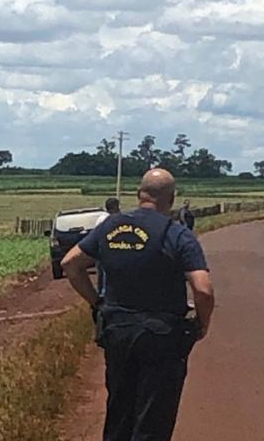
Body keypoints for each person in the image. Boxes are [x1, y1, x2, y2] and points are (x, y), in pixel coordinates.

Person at [62, 169, 215, 441]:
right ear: (171, 199)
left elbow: (70, 264)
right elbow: (203, 290)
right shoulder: (177, 234)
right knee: (153, 420)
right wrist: (201, 325)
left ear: (138, 194)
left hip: (118, 331)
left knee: (119, 413)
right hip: (162, 337)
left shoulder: (109, 227)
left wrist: (97, 302)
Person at [95, 198, 120, 297]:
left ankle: (101, 293)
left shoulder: (102, 218)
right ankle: (104, 294)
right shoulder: (108, 219)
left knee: (101, 274)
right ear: (114, 207)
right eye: (117, 207)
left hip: (100, 249)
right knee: (106, 273)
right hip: (106, 250)